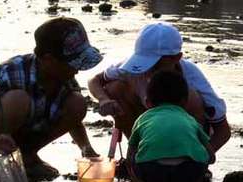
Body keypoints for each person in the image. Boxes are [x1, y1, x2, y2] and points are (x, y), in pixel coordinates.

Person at [0, 17, 102, 182]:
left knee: (77, 103)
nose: (77, 70)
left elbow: (75, 122)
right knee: (18, 100)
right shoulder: (7, 73)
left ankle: (27, 155)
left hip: (17, 137)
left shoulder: (64, 78)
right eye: (72, 63)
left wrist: (86, 148)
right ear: (49, 59)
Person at [88, 22, 230, 154]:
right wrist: (104, 99)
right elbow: (95, 80)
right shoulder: (130, 67)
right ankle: (139, 153)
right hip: (148, 122)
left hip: (185, 131)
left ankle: (185, 156)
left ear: (176, 58)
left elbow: (223, 131)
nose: (148, 70)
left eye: (155, 65)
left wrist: (203, 158)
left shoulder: (191, 76)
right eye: (143, 62)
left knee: (192, 97)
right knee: (114, 88)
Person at [128, 70, 214, 182]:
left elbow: (131, 152)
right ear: (185, 102)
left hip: (152, 172)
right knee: (203, 158)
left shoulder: (142, 119)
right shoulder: (191, 120)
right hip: (186, 173)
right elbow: (211, 156)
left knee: (131, 158)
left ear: (147, 102)